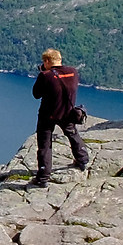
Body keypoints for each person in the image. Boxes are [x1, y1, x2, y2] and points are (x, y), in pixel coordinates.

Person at [31, 48, 90, 186]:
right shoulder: (73, 72)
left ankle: (43, 177)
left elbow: (36, 94)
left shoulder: (45, 76)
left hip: (48, 114)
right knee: (72, 134)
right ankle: (82, 160)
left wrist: (42, 74)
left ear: (46, 61)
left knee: (45, 145)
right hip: (68, 113)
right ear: (59, 59)